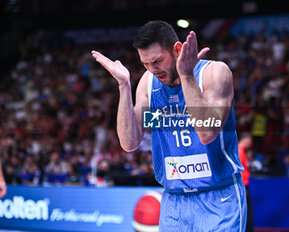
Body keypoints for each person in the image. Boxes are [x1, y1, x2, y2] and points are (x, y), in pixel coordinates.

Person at [92, 20, 247, 231]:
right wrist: (124, 86)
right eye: (145, 63)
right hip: (174, 202)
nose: (152, 69)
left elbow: (206, 132)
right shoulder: (149, 83)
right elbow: (130, 142)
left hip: (219, 198)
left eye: (157, 61)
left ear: (177, 50)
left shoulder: (214, 73)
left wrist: (186, 75)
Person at [238, 133, 254, 232]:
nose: (251, 145)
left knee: (247, 211)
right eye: (250, 142)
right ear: (246, 140)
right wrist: (243, 188)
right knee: (245, 211)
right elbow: (240, 172)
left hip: (244, 185)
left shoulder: (242, 151)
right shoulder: (239, 151)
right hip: (243, 186)